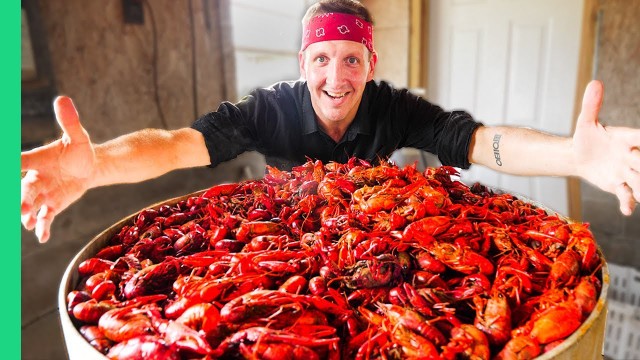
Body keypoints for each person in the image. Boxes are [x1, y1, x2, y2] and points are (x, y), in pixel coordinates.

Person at [21, 0, 640, 243]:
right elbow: (178, 146)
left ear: (371, 63)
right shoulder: (269, 110)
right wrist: (99, 164)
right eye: (322, 59)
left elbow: (479, 140)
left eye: (351, 59)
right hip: (285, 237)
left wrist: (571, 157)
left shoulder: (394, 108)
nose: (336, 77)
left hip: (380, 237)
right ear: (303, 62)